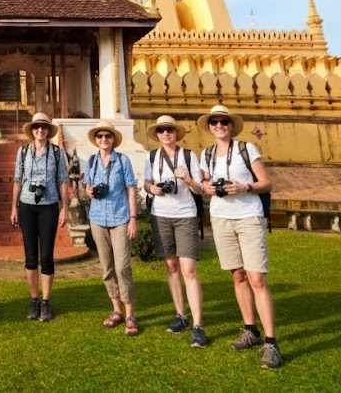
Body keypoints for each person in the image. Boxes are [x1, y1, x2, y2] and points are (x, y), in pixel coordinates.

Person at [197, 104, 282, 369]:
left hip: (248, 216)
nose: (219, 126)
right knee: (238, 275)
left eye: (223, 121)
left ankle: (271, 342)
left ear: (231, 125)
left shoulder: (247, 149)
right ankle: (250, 329)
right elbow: (204, 185)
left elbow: (266, 182)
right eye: (214, 122)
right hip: (221, 217)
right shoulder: (207, 154)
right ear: (209, 126)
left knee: (257, 278)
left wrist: (244, 186)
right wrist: (209, 187)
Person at [144, 115, 208, 347]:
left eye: (169, 130)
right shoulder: (152, 156)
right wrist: (151, 188)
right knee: (171, 267)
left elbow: (200, 189)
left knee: (188, 269)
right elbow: (146, 182)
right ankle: (181, 315)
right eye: (161, 130)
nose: (166, 134)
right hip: (161, 214)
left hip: (185, 215)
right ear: (157, 134)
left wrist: (188, 179)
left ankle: (198, 325)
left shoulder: (189, 156)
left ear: (176, 133)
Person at [9, 112, 70, 322]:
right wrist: (14, 207)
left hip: (49, 206)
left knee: (46, 256)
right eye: (37, 127)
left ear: (48, 130)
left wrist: (64, 208)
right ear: (32, 130)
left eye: (44, 127)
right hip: (27, 206)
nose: (40, 130)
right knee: (30, 256)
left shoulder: (56, 152)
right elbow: (17, 179)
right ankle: (34, 299)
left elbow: (63, 180)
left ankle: (45, 301)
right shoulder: (23, 151)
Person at [83, 119, 140, 336]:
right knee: (106, 267)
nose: (104, 139)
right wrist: (89, 192)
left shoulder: (123, 160)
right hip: (98, 218)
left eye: (107, 136)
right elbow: (87, 186)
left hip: (120, 218)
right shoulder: (92, 161)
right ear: (96, 140)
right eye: (100, 136)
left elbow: (131, 189)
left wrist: (133, 218)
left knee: (122, 267)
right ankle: (116, 310)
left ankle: (130, 313)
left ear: (113, 139)